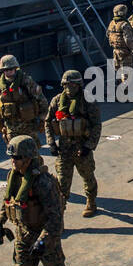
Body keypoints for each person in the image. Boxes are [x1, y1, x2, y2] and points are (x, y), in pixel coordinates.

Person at [0, 135, 73, 266]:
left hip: (45, 236)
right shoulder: (15, 177)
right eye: (11, 157)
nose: (13, 161)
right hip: (23, 233)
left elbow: (55, 216)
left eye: (17, 158)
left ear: (28, 158)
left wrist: (43, 240)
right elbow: (8, 200)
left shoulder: (43, 182)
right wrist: (0, 221)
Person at [46, 70, 101, 216]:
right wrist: (51, 142)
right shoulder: (57, 101)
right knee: (62, 183)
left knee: (88, 177)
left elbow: (96, 125)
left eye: (72, 84)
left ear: (79, 85)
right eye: (66, 84)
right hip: (64, 149)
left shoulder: (87, 101)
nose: (69, 87)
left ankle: (91, 201)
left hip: (82, 147)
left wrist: (88, 146)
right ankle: (60, 213)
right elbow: (47, 122)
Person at [0, 54, 49, 147]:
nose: (9, 72)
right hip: (11, 126)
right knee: (15, 152)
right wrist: (0, 123)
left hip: (28, 124)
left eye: (11, 69)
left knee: (32, 151)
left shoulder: (26, 81)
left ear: (15, 68)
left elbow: (41, 99)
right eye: (6, 70)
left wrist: (43, 119)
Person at [107, 3, 133, 72]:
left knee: (119, 73)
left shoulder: (112, 23)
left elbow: (108, 35)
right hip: (125, 53)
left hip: (115, 52)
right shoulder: (124, 24)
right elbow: (129, 40)